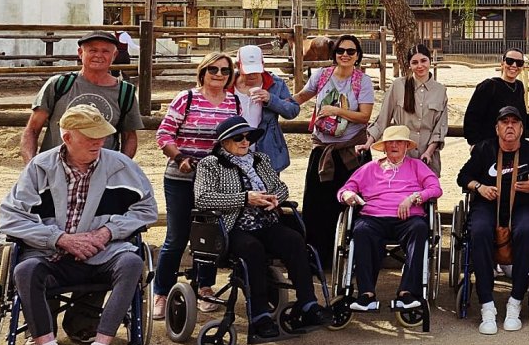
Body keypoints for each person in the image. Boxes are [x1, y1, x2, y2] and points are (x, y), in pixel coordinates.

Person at [0, 105, 157, 345]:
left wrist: (108, 232)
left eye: (102, 136)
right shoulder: (39, 167)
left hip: (103, 255)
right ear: (67, 137)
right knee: (24, 270)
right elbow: (10, 216)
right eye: (90, 137)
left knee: (132, 263)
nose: (99, 142)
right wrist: (58, 238)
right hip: (52, 256)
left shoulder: (122, 166)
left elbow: (146, 210)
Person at [193, 117, 331, 338]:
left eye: (248, 137)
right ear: (224, 142)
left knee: (294, 240)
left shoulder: (260, 159)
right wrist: (245, 198)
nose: (245, 142)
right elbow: (202, 199)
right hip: (231, 227)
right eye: (238, 137)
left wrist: (275, 198)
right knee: (251, 248)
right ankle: (259, 315)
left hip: (265, 222)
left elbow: (281, 187)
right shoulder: (210, 164)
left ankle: (308, 304)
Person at [153, 51, 243, 319]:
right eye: (213, 69)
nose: (218, 75)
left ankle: (205, 286)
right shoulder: (187, 98)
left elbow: (235, 138)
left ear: (230, 75)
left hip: (215, 179)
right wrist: (179, 157)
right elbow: (165, 133)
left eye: (224, 71)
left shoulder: (234, 102)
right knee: (177, 235)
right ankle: (161, 292)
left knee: (210, 234)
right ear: (202, 72)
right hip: (183, 175)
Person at [457, 106, 529, 334]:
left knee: (528, 230)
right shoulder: (485, 149)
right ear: (497, 127)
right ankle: (487, 305)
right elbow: (463, 177)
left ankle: (515, 302)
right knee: (480, 229)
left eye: (515, 122)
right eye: (505, 122)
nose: (509, 126)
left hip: (523, 206)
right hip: (487, 206)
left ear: (522, 128)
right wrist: (480, 187)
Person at [335, 125, 442, 313]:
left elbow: (435, 189)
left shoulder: (417, 166)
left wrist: (413, 198)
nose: (394, 145)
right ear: (383, 146)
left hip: (408, 218)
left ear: (406, 146)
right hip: (374, 218)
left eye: (399, 142)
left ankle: (407, 292)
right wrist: (348, 195)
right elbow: (345, 189)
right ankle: (366, 294)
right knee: (360, 231)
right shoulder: (369, 168)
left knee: (420, 229)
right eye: (390, 142)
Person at [291, 34, 375, 267]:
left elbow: (365, 116)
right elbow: (302, 96)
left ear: (358, 56)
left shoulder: (362, 82)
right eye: (340, 51)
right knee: (317, 206)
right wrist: (276, 103)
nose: (345, 55)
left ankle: (354, 261)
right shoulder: (322, 75)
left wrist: (336, 111)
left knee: (356, 206)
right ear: (334, 53)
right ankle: (318, 259)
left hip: (352, 152)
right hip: (323, 150)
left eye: (350, 51)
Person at [20, 30, 143, 164]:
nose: (98, 55)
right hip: (54, 169)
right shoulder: (59, 84)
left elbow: (129, 136)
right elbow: (32, 129)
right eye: (92, 50)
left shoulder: (125, 92)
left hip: (101, 171)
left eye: (105, 51)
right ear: (80, 53)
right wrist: (31, 165)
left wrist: (120, 166)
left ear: (114, 55)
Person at [363, 43, 448, 175]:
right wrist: (368, 144)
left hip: (427, 158)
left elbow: (439, 128)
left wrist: (428, 152)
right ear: (409, 65)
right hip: (400, 156)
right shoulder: (398, 86)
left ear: (430, 61)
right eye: (415, 62)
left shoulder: (440, 90)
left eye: (423, 60)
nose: (420, 66)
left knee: (427, 194)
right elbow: (382, 119)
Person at [232, 44, 300, 172]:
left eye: (256, 70)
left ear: (263, 65)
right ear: (237, 65)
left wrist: (271, 99)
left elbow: (292, 111)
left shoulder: (276, 83)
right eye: (248, 71)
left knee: (268, 190)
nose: (252, 74)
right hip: (232, 149)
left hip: (266, 149)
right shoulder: (227, 83)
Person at [463, 49, 529, 147]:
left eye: (519, 63)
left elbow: (521, 115)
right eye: (510, 61)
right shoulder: (489, 86)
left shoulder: (519, 87)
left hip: (512, 146)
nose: (514, 66)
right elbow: (472, 117)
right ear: (502, 63)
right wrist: (474, 144)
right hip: (489, 146)